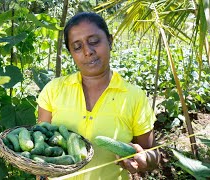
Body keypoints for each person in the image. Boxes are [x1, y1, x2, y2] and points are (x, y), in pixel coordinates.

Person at [36, 12, 160, 179]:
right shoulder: (53, 90)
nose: (88, 51)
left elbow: (152, 156)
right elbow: (41, 147)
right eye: (77, 47)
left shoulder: (134, 97)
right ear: (71, 53)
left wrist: (143, 159)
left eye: (94, 41)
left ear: (110, 40)